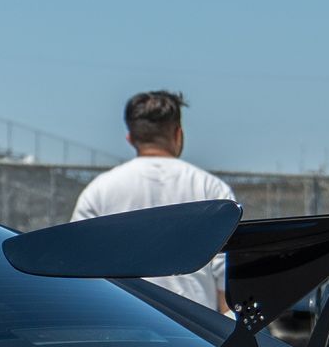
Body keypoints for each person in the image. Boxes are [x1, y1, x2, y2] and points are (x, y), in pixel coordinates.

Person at [70, 89, 237, 309]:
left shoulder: (99, 191)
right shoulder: (212, 190)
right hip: (196, 336)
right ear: (178, 134)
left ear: (130, 138)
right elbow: (228, 283)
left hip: (120, 331)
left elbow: (76, 273)